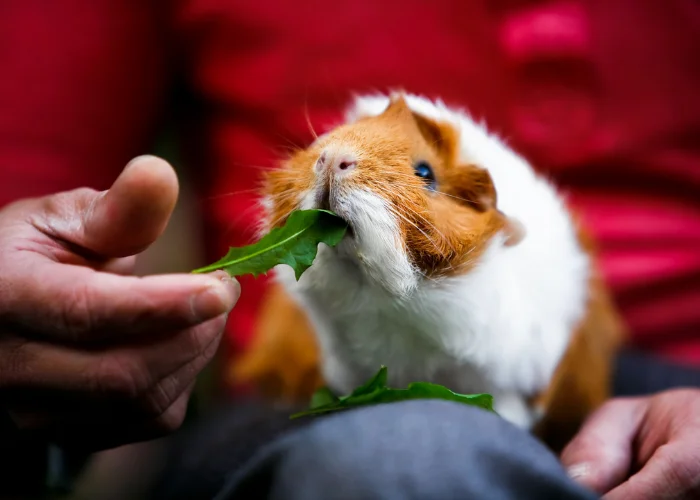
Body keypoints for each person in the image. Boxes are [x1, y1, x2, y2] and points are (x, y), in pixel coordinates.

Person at [0, 1, 698, 499]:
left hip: (677, 386)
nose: (331, 161)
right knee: (401, 461)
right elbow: (28, 207)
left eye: (424, 176)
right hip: (299, 409)